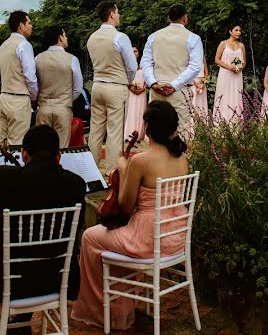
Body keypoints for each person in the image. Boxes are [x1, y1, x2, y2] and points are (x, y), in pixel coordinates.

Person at [0, 124, 86, 332]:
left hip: (6, 280)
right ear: (59, 156)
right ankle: (21, 319)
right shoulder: (76, 184)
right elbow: (77, 230)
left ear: (24, 154)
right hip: (54, 278)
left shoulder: (4, 177)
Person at [72, 101, 190, 330]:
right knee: (110, 241)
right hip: (175, 237)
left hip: (147, 240)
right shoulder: (181, 158)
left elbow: (126, 206)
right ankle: (121, 308)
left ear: (148, 127)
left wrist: (124, 168)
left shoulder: (141, 161)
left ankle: (103, 311)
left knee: (90, 237)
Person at [87, 1, 137, 170]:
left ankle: (91, 171)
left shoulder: (92, 37)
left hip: (98, 85)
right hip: (116, 86)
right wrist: (129, 81)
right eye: (118, 11)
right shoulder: (120, 37)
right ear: (112, 14)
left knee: (95, 131)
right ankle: (112, 172)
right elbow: (131, 66)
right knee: (115, 132)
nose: (119, 14)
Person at [140, 4, 204, 137]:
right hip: (179, 90)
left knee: (156, 128)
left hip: (157, 88)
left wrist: (153, 83)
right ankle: (178, 157)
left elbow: (145, 62)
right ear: (185, 18)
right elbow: (195, 67)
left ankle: (157, 157)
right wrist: (174, 85)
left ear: (169, 18)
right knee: (181, 129)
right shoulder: (193, 38)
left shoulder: (154, 36)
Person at [35, 26, 84, 148]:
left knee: (42, 146)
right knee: (61, 147)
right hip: (63, 108)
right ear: (60, 37)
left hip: (43, 107)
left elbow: (34, 83)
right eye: (65, 35)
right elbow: (78, 87)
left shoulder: (38, 58)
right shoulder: (72, 59)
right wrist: (66, 99)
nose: (66, 38)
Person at [0, 11, 38, 145]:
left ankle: (1, 166)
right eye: (29, 23)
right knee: (17, 143)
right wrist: (34, 95)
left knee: (2, 141)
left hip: (4, 97)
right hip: (19, 98)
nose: (31, 26)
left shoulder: (3, 45)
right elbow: (30, 76)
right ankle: (15, 166)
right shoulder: (24, 45)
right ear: (21, 25)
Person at [212, 25, 246, 122]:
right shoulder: (223, 44)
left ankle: (236, 122)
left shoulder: (241, 45)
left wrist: (240, 68)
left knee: (237, 96)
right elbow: (217, 60)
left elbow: (244, 62)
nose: (239, 32)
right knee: (224, 96)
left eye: (240, 30)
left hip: (237, 76)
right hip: (225, 74)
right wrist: (228, 67)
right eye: (236, 30)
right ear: (230, 31)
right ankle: (221, 122)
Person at [124, 45, 148, 142]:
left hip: (142, 93)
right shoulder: (127, 65)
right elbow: (125, 78)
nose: (134, 53)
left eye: (136, 51)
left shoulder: (143, 65)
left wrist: (143, 89)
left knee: (140, 112)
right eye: (132, 51)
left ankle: (139, 134)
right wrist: (131, 88)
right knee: (131, 111)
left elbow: (147, 78)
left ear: (138, 53)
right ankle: (129, 133)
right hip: (131, 92)